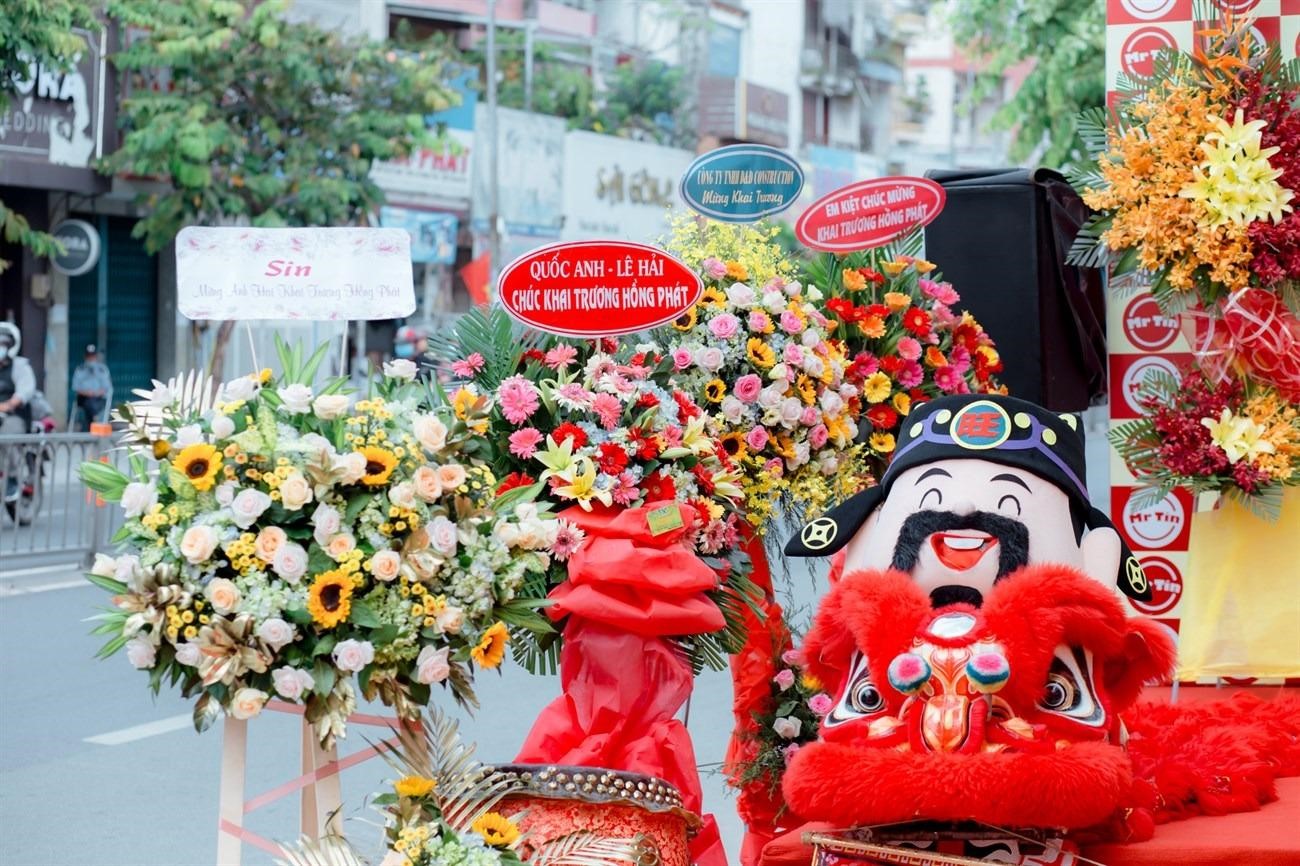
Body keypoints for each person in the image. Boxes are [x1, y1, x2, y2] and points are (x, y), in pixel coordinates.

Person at [0, 323, 36, 436]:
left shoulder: (20, 366)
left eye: (2, 344)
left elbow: (24, 392)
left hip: (14, 415)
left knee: (8, 439)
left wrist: (7, 405)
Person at [71, 343, 112, 431]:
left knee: (93, 403)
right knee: (89, 403)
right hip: (84, 398)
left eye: (92, 356)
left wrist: (97, 393)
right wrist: (87, 393)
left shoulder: (102, 369)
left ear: (96, 357)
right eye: (88, 356)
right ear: (85, 357)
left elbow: (106, 388)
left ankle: (92, 424)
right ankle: (95, 422)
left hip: (98, 398)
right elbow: (76, 387)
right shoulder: (80, 369)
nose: (90, 359)